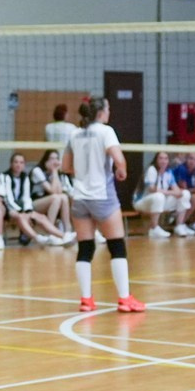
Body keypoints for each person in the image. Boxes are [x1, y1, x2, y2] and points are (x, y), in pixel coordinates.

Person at [61, 96, 143, 310]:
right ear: (101, 112)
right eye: (108, 108)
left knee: (85, 248)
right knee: (116, 246)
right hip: (102, 196)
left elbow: (66, 166)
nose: (109, 112)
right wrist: (121, 169)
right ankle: (125, 299)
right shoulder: (106, 131)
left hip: (80, 197)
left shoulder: (74, 133)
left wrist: (84, 171)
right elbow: (119, 158)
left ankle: (86, 300)